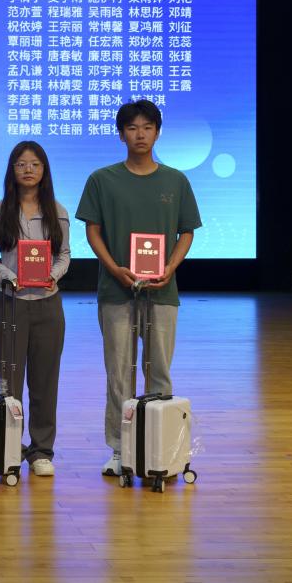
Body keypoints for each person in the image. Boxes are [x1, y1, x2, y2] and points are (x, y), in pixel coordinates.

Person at [75, 99, 202, 478]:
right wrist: (114, 269)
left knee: (159, 370)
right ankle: (120, 448)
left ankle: (161, 450)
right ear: (121, 134)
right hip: (116, 291)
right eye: (132, 128)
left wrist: (170, 267)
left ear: (158, 133)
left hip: (163, 291)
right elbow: (93, 230)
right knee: (119, 373)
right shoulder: (102, 179)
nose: (140, 134)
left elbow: (187, 232)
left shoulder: (175, 181)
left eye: (147, 127)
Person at [0, 141, 71, 478]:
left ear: (44, 170)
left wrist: (53, 275)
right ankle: (9, 447)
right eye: (21, 164)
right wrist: (9, 276)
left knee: (45, 381)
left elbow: (64, 255)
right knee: (8, 381)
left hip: (47, 303)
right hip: (8, 303)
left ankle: (41, 450)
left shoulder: (57, 211)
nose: (28, 170)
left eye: (35, 164)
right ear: (11, 170)